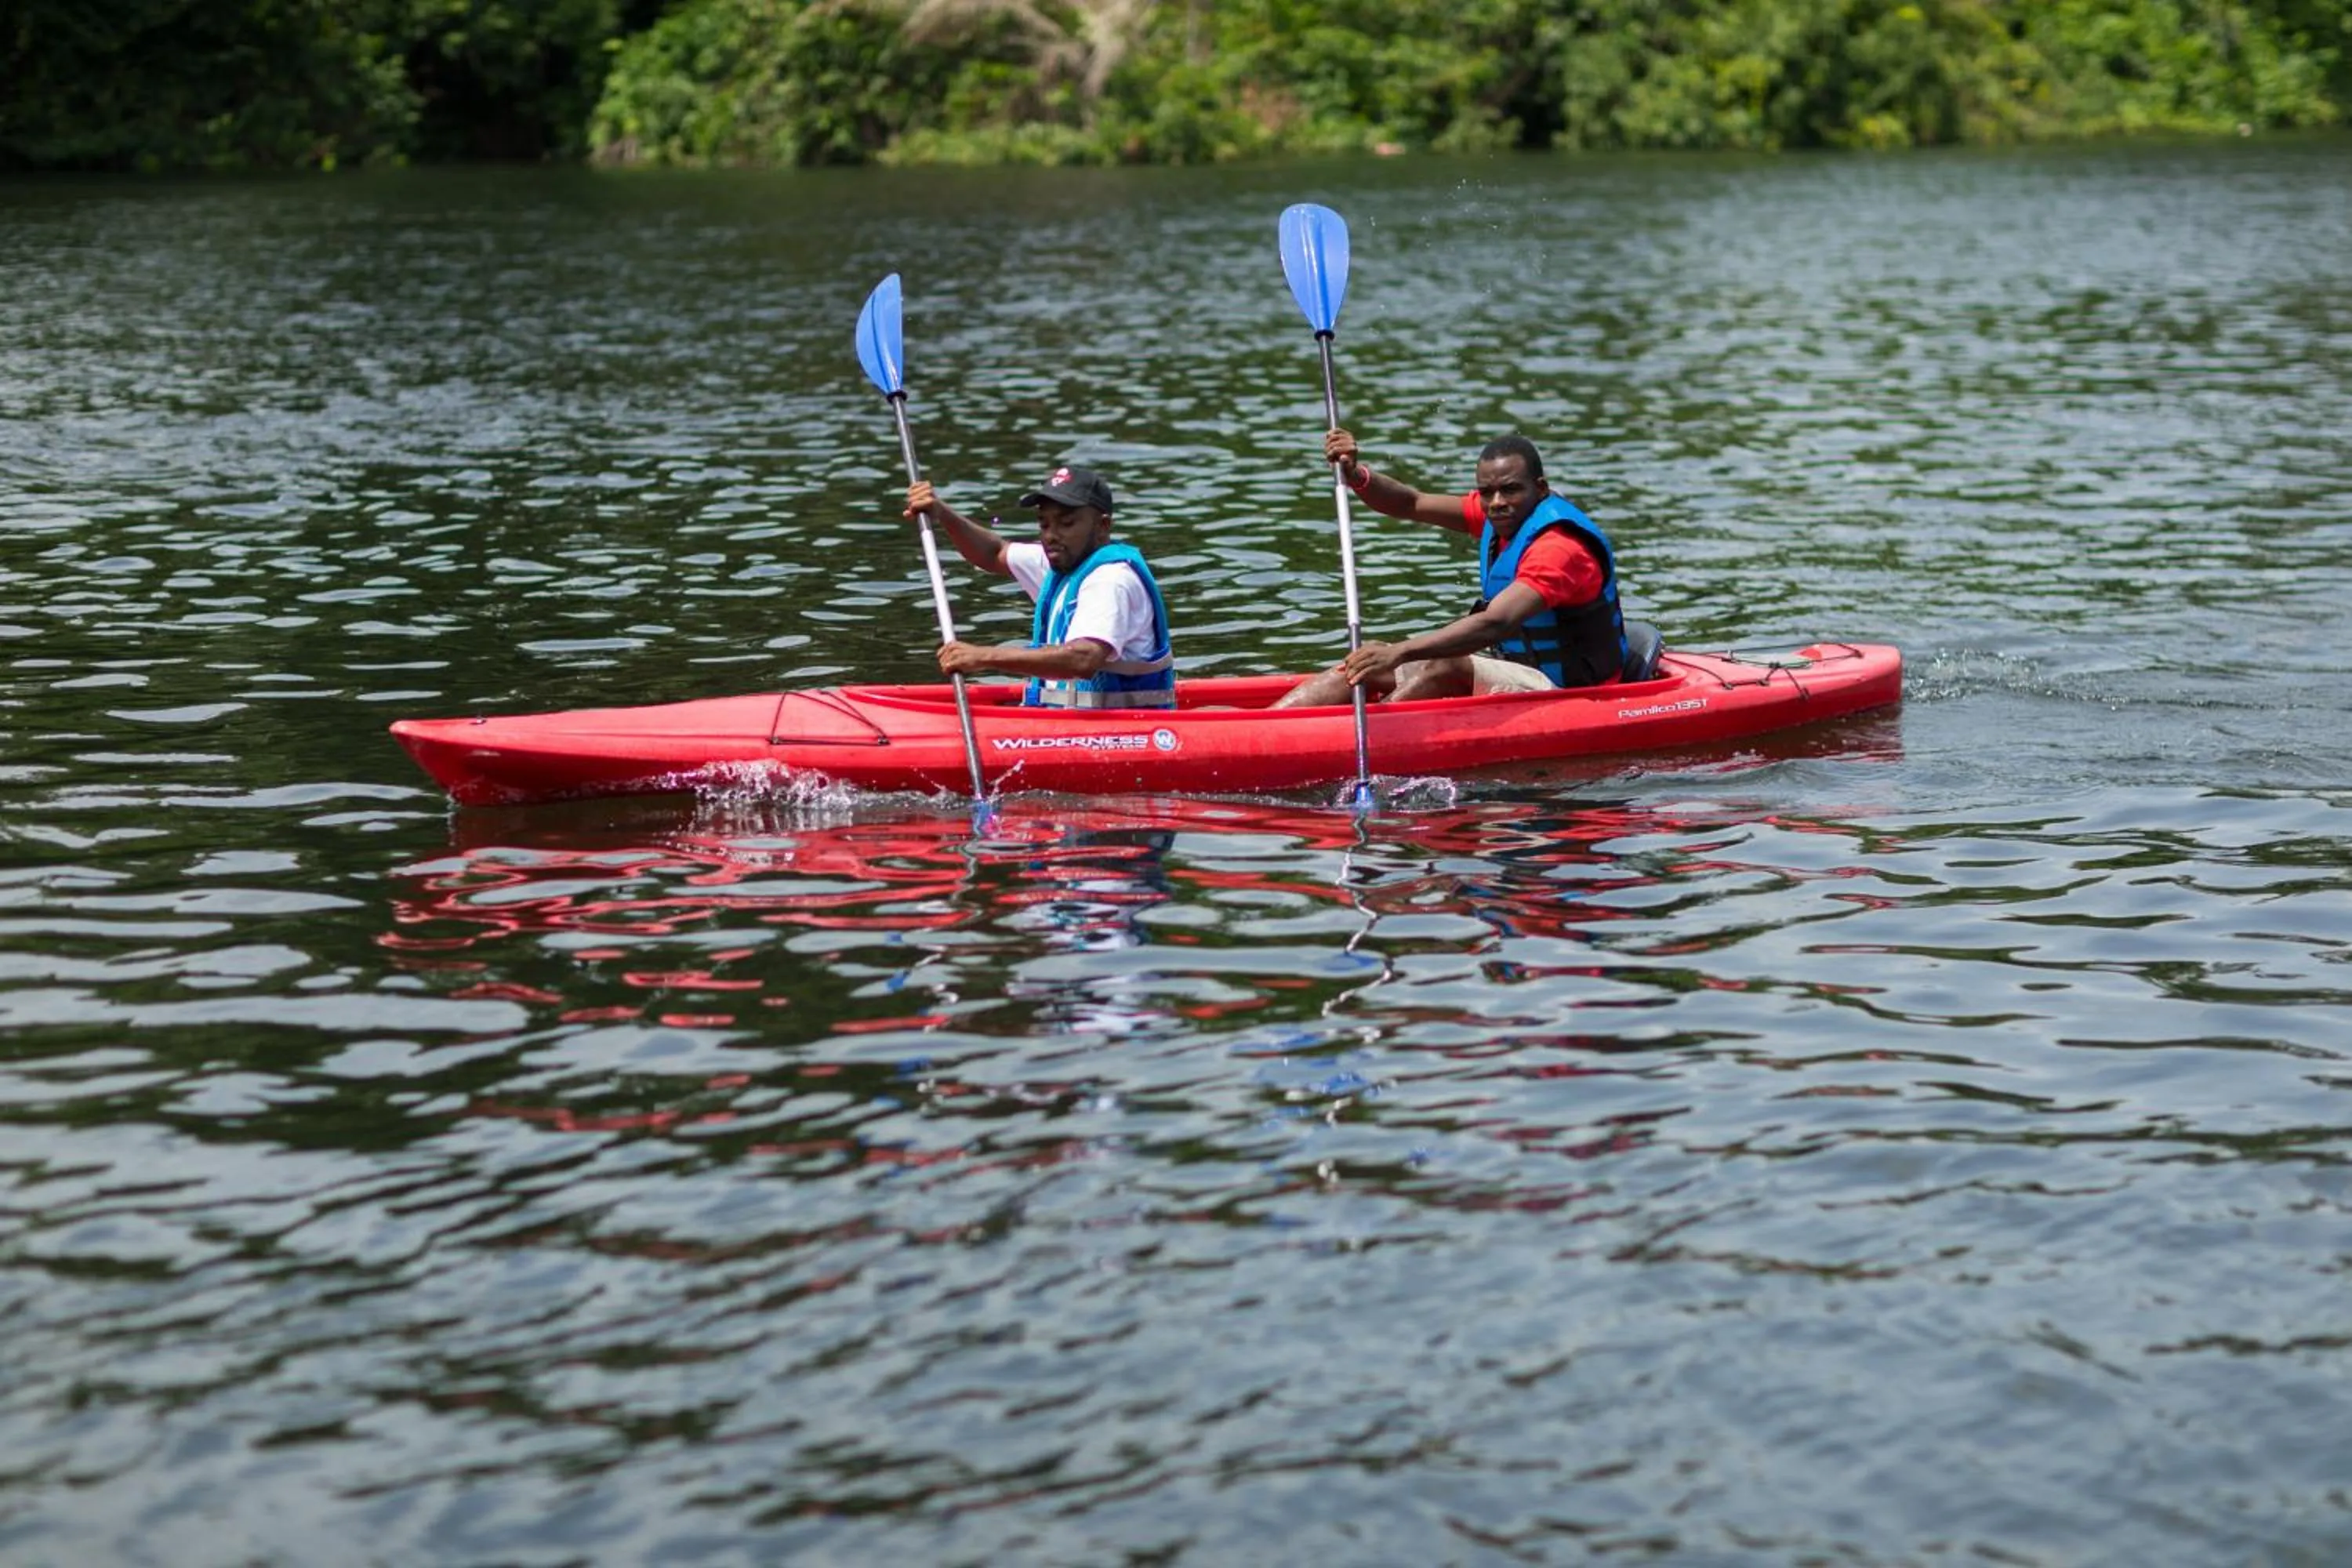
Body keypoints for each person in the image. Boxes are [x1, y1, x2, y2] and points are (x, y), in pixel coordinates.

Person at [1272, 429, 1635, 708]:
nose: (1497, 503)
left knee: (1444, 664)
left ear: (1540, 489)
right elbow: (1411, 503)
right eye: (1487, 492)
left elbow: (1497, 622)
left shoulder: (1560, 549)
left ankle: (1356, 739)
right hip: (1522, 670)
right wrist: (1357, 475)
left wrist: (1401, 651)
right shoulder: (1498, 514)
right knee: (1367, 663)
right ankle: (1271, 723)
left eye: (1510, 490)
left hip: (1574, 694)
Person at [901, 464, 1175, 710]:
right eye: (1044, 524)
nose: (1051, 536)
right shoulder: (1062, 562)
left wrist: (983, 656)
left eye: (1066, 523)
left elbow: (1083, 659)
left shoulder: (1111, 581)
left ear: (1102, 526)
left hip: (1122, 733)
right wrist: (941, 513)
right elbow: (993, 553)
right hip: (1068, 724)